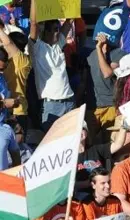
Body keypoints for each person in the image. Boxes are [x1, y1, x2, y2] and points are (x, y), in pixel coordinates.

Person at [27, 0, 74, 131]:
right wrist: (35, 2)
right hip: (51, 105)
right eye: (54, 30)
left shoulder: (59, 45)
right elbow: (34, 24)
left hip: (69, 100)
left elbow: (69, 21)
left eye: (58, 29)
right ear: (45, 32)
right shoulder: (37, 48)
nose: (57, 33)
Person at [76, 120, 127, 193]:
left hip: (102, 192)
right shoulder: (68, 157)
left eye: (82, 129)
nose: (80, 131)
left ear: (86, 133)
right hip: (81, 197)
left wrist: (124, 126)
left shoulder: (95, 149)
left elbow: (118, 145)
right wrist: (88, 183)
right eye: (76, 129)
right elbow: (67, 184)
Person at [0, 23, 30, 131]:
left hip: (18, 112)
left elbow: (7, 43)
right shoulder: (7, 61)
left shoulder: (21, 61)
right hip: (6, 112)